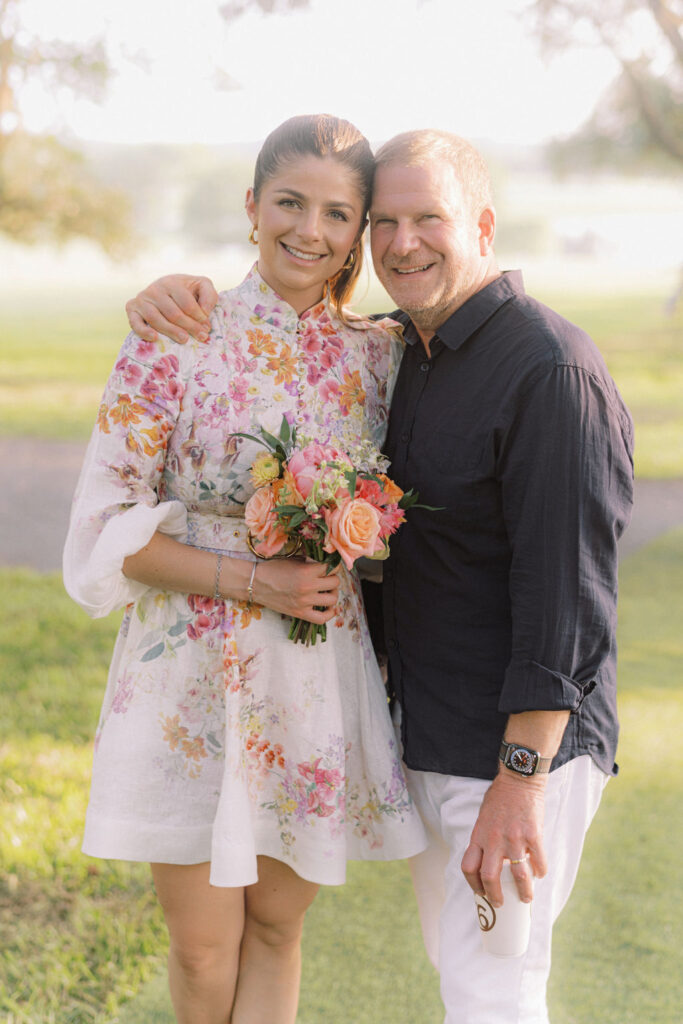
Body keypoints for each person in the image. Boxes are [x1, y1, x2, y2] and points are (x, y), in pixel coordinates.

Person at [125, 128, 634, 1024]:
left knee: (493, 987)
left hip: (515, 754)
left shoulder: (548, 370)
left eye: (426, 218)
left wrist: (521, 779)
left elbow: (571, 599)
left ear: (480, 222)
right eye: (386, 221)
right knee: (463, 965)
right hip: (429, 731)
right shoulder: (404, 350)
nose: (403, 243)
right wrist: (169, 290)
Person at [64, 113, 427, 1024]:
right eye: (290, 203)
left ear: (360, 230)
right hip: (184, 672)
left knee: (274, 928)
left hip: (307, 676)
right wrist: (254, 581)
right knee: (200, 946)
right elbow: (109, 530)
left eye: (338, 213)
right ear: (253, 207)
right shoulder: (177, 333)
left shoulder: (379, 360)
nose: (310, 230)